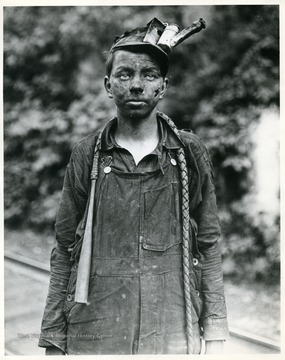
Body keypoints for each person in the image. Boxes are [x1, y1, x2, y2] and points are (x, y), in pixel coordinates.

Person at [39, 17, 230, 355]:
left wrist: (214, 331)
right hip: (96, 327)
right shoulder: (88, 155)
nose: (137, 85)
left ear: (163, 86)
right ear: (108, 85)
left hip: (170, 327)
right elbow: (65, 248)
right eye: (125, 74)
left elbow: (209, 244)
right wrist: (53, 338)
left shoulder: (188, 152)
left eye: (149, 75)